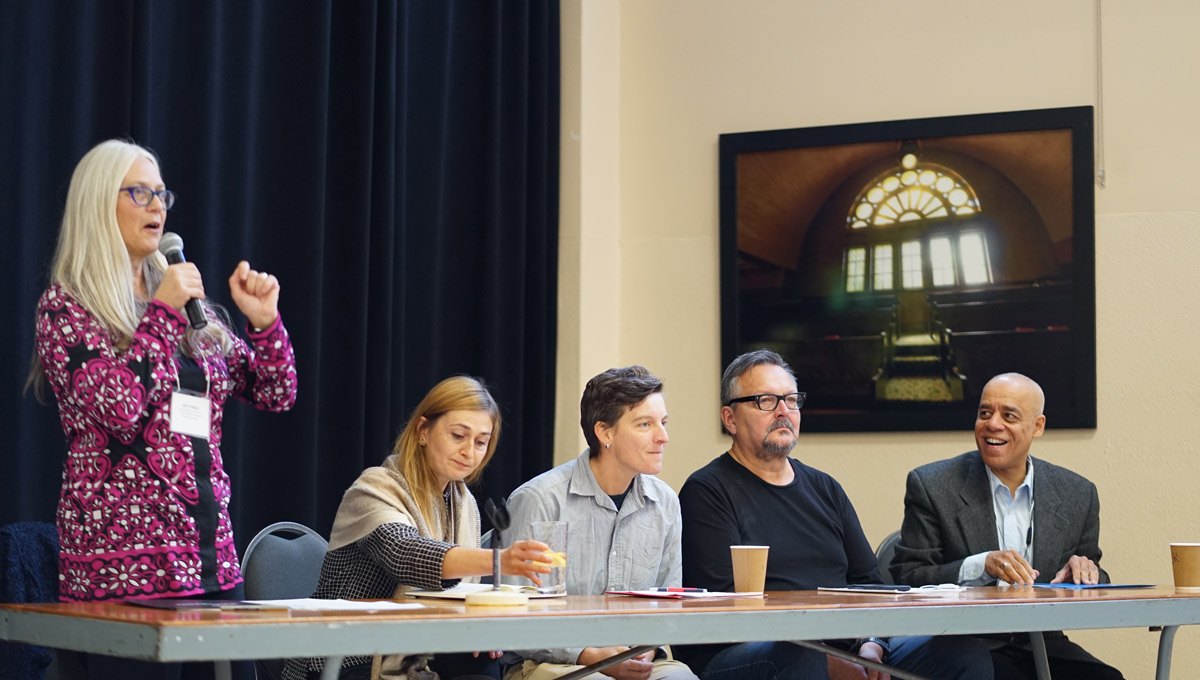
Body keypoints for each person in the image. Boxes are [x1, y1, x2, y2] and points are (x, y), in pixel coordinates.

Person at [29, 139, 298, 680]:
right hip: (122, 572)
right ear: (99, 203)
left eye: (161, 194)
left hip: (210, 559)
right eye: (140, 193)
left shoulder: (180, 302)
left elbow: (274, 390)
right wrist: (162, 316)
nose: (158, 206)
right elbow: (121, 407)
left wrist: (264, 323)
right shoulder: (67, 307)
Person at [677, 349, 992, 680]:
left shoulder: (825, 488)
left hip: (842, 648)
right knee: (798, 658)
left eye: (791, 400)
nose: (784, 411)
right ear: (730, 419)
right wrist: (827, 662)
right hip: (749, 653)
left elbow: (870, 584)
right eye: (766, 401)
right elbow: (727, 608)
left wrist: (873, 645)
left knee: (962, 654)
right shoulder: (706, 491)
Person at [281, 376, 552, 680]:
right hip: (347, 654)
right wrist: (499, 559)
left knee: (485, 667)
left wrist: (478, 626)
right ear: (423, 431)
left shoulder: (465, 504)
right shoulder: (374, 487)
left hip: (418, 651)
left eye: (480, 442)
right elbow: (405, 554)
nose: (469, 452)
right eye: (458, 435)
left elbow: (457, 595)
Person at [890, 373, 1124, 680]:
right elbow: (908, 577)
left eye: (1008, 415)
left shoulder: (1077, 493)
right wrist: (980, 565)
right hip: (966, 644)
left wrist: (1087, 572)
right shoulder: (933, 485)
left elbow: (1096, 574)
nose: (993, 424)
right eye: (984, 413)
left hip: (1043, 644)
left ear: (1037, 426)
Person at [502, 366, 699, 680]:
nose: (663, 437)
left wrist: (641, 653)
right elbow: (512, 616)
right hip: (548, 663)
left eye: (663, 423)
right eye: (645, 424)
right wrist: (591, 655)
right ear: (605, 433)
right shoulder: (540, 499)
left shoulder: (665, 503)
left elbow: (667, 606)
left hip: (640, 661)